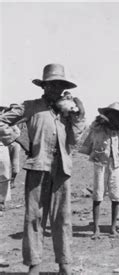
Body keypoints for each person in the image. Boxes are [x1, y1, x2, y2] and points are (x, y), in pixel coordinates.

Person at [0, 64, 85, 275]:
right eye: (52, 84)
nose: (56, 88)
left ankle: (64, 264)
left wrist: (78, 115)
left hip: (62, 171)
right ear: (44, 86)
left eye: (61, 85)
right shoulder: (31, 107)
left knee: (62, 218)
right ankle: (34, 265)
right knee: (33, 217)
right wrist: (18, 138)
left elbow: (75, 139)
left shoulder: (67, 111)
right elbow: (2, 121)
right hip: (37, 167)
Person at [79, 102, 119, 239]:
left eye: (117, 116)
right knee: (98, 195)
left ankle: (113, 228)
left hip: (116, 165)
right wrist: (99, 120)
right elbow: (92, 127)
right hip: (100, 163)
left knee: (116, 196)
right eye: (111, 114)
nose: (114, 118)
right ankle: (96, 229)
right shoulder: (98, 127)